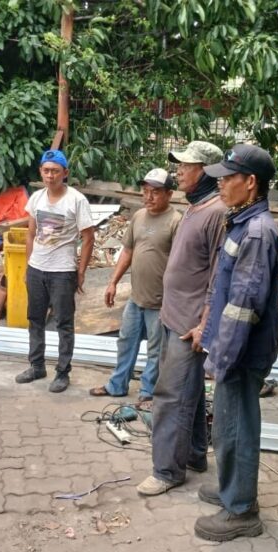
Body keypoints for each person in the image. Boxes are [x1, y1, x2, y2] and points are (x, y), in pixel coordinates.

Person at [193, 144, 278, 542]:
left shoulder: (258, 232)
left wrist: (221, 358)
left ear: (251, 183)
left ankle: (242, 510)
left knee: (236, 428)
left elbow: (244, 305)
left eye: (228, 178)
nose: (220, 183)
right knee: (229, 426)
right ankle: (234, 489)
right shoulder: (242, 222)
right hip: (234, 348)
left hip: (242, 353)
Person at [136, 140, 226, 496]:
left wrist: (204, 323)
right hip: (173, 315)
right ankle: (193, 455)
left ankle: (167, 471)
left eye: (185, 166)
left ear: (205, 171)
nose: (179, 172)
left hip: (190, 324)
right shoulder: (195, 207)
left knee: (170, 395)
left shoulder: (217, 213)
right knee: (187, 390)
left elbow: (218, 276)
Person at [88, 168, 181, 405]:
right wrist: (112, 282)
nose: (148, 197)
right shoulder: (139, 217)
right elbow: (127, 251)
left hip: (160, 303)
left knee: (155, 350)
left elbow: (181, 264)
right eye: (145, 191)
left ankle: (148, 392)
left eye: (155, 192)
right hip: (136, 298)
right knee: (126, 343)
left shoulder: (176, 222)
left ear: (169, 194)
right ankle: (117, 385)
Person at [15, 149, 95, 393]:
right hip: (37, 269)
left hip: (62, 271)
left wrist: (80, 271)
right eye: (46, 170)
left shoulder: (76, 200)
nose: (50, 175)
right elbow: (31, 233)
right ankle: (37, 365)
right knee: (35, 319)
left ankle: (62, 372)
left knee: (63, 323)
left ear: (65, 173)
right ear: (41, 171)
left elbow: (88, 237)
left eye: (55, 171)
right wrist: (29, 266)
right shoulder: (37, 198)